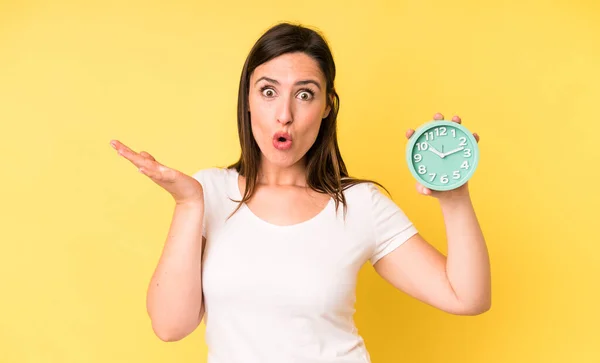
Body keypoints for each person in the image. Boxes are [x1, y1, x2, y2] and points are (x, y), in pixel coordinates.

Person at [110, 22, 490, 363]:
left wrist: (454, 197)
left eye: (305, 94)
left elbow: (466, 297)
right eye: (269, 91)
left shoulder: (361, 206)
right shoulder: (208, 190)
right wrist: (188, 203)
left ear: (327, 107)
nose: (285, 114)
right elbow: (169, 326)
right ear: (247, 100)